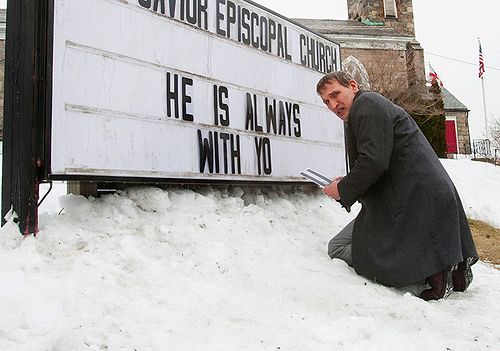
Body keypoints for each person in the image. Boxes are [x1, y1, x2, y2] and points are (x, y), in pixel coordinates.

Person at [317, 71, 478, 300]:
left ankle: (428, 277)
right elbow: (377, 160)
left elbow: (374, 162)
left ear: (353, 85)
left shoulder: (367, 104)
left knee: (338, 248)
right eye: (326, 102)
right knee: (339, 246)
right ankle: (439, 268)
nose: (333, 104)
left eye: (335, 95)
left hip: (416, 201)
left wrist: (342, 190)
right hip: (416, 198)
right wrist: (347, 183)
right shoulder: (365, 107)